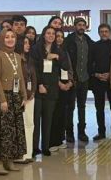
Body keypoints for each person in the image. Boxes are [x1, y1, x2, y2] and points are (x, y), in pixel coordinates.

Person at [0, 29, 27, 175]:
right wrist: (2, 100)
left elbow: (21, 77)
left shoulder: (17, 56)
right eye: (7, 37)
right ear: (1, 39)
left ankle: (9, 160)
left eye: (12, 37)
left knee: (14, 131)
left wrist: (24, 96)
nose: (10, 39)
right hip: (4, 97)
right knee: (2, 130)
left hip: (15, 97)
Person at [32, 25, 70, 156]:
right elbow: (34, 69)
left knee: (48, 119)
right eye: (48, 33)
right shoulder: (36, 49)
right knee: (36, 120)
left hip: (52, 89)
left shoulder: (58, 50)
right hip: (39, 88)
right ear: (43, 35)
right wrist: (39, 84)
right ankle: (34, 147)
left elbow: (66, 66)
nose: (51, 36)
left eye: (53, 34)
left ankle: (46, 146)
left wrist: (57, 57)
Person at [63, 17, 93, 143]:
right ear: (75, 26)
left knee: (82, 106)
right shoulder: (68, 41)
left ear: (85, 27)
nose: (81, 27)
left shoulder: (88, 41)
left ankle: (82, 132)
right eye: (79, 25)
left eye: (83, 25)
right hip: (73, 80)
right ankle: (69, 133)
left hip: (84, 79)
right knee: (70, 107)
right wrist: (69, 78)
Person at [89, 23, 111, 141]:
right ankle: (101, 132)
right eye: (102, 31)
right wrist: (96, 74)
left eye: (106, 31)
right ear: (99, 33)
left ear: (109, 33)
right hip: (98, 80)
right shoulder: (94, 46)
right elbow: (89, 63)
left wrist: (110, 74)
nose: (104, 33)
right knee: (99, 108)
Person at [50, 29, 73, 152]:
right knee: (54, 115)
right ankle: (52, 141)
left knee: (62, 114)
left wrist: (70, 82)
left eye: (61, 36)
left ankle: (60, 140)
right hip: (55, 86)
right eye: (57, 36)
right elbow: (51, 71)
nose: (59, 38)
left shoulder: (65, 52)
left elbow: (70, 69)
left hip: (66, 86)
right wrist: (59, 83)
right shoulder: (50, 52)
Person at [15, 37, 36, 164]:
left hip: (30, 97)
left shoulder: (29, 60)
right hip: (20, 97)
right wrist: (25, 94)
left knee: (30, 124)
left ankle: (28, 153)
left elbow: (34, 77)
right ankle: (20, 154)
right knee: (21, 125)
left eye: (29, 43)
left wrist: (32, 92)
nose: (28, 45)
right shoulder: (16, 59)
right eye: (25, 43)